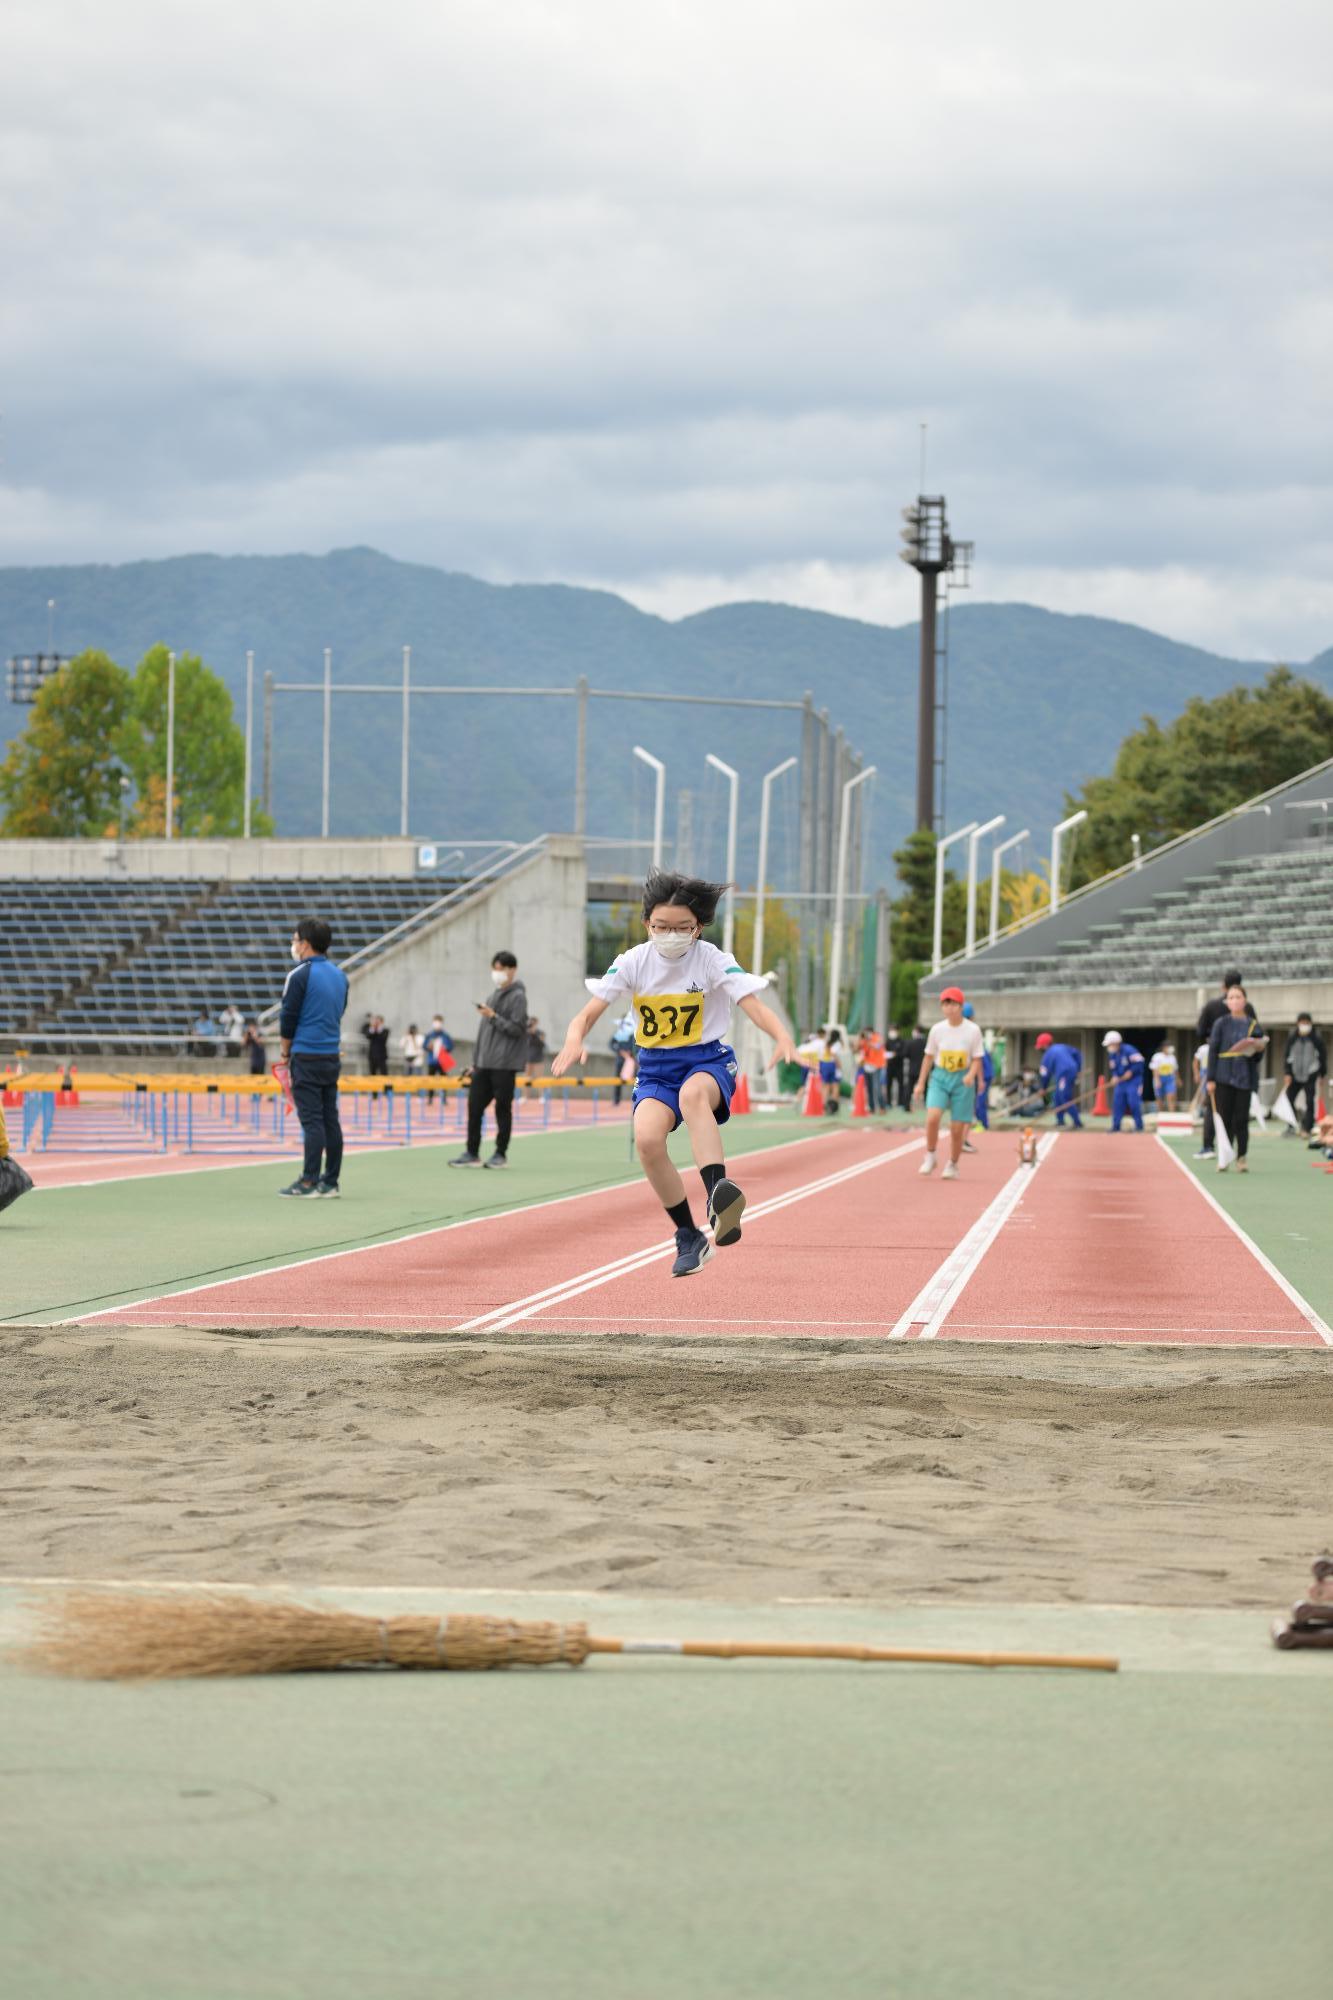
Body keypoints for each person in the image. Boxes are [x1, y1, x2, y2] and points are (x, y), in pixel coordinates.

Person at [552, 868, 796, 1276]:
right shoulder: (632, 962)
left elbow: (754, 1005)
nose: (671, 934)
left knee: (693, 1096)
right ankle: (689, 1236)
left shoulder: (713, 960)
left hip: (706, 1060)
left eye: (683, 927)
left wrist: (782, 1037)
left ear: (698, 927)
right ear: (647, 923)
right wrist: (574, 1038)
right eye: (661, 926)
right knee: (646, 1140)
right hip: (655, 1069)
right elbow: (588, 1013)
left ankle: (717, 1195)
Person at [277, 916, 348, 1198]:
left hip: (306, 1054)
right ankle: (330, 1181)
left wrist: (284, 1053)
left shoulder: (300, 974)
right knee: (330, 1118)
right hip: (330, 1054)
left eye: (295, 940)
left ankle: (308, 1181)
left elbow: (288, 1019)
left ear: (305, 944)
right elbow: (339, 1011)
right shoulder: (340, 975)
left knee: (312, 1121)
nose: (293, 945)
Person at [449, 950, 529, 1168]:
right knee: (474, 1107)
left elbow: (517, 1028)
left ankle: (500, 1153)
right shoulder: (493, 995)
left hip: (504, 1064)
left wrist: (493, 1017)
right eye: (495, 968)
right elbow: (483, 1035)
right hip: (484, 1064)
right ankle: (471, 1152)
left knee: (502, 1109)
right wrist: (475, 1063)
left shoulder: (518, 997)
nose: (497, 973)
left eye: (501, 968)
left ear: (512, 970)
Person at [913, 985, 984, 1179]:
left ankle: (953, 1163)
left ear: (960, 1006)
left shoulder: (973, 1030)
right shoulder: (937, 1030)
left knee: (956, 1129)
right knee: (933, 1117)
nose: (948, 1008)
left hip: (962, 1080)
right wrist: (920, 1083)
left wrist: (971, 1075)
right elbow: (928, 1057)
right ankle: (930, 1154)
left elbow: (977, 1058)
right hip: (940, 1077)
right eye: (945, 1004)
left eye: (952, 1004)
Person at [1207, 984, 1267, 1173]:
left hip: (1244, 1076)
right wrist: (1211, 1078)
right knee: (1224, 1118)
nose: (1234, 1000)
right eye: (1231, 997)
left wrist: (1258, 1049)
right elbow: (1213, 1050)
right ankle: (1224, 1156)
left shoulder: (1252, 1024)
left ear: (1245, 1000)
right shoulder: (1220, 1023)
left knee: (1241, 1119)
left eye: (1238, 997)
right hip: (1224, 1075)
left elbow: (1258, 1055)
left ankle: (1242, 1157)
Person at [1283, 1014, 1326, 1138]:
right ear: (1297, 1023)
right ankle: (1290, 1125)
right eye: (1302, 1022)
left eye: (1307, 1023)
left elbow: (1322, 1057)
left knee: (1309, 1101)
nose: (1304, 1025)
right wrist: (1287, 1073)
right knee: (1289, 1099)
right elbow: (1287, 1057)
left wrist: (1322, 1074)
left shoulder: (1316, 1039)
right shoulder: (1292, 1038)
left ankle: (1307, 1127)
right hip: (1294, 1074)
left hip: (1310, 1075)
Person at [1036, 1031, 1083, 1128]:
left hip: (1064, 1074)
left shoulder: (1047, 1056)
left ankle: (1077, 1122)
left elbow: (1045, 1075)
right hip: (1068, 1072)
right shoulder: (1062, 1046)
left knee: (1064, 1097)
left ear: (1044, 1046)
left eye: (1040, 1047)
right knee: (1057, 1097)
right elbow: (1078, 1054)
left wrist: (1043, 1088)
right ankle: (1060, 1120)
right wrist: (1078, 1068)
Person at [1103, 1031, 1145, 1133]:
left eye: (1110, 1044)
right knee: (1118, 1103)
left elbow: (1140, 1062)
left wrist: (1131, 1071)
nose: (1109, 1047)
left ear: (1116, 1043)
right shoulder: (1112, 1055)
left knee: (1133, 1102)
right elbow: (1114, 1069)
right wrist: (1115, 1077)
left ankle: (1139, 1126)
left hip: (1134, 1081)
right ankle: (1116, 1126)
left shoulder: (1129, 1050)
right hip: (1121, 1082)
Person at [609, 1011, 638, 1106]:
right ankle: (616, 1100)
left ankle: (635, 1099)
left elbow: (635, 1045)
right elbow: (611, 1044)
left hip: (631, 1060)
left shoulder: (634, 1033)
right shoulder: (619, 1033)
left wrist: (630, 1053)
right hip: (620, 1059)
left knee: (635, 1081)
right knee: (617, 1080)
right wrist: (620, 1051)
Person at [1149, 1039, 1180, 1112]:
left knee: (1171, 1096)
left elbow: (1175, 1069)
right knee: (1159, 1097)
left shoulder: (1172, 1057)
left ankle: (1171, 1113)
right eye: (1168, 1046)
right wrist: (1157, 1080)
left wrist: (1178, 1079)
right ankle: (1161, 1113)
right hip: (1159, 1078)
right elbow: (1155, 1069)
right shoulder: (1157, 1056)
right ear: (1164, 1047)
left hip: (1170, 1078)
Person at [423, 1014, 455, 1079]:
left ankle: (444, 1089)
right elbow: (424, 1046)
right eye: (435, 1022)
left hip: (442, 1061)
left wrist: (446, 1048)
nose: (437, 1024)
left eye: (439, 1022)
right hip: (432, 1061)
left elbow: (451, 1046)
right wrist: (428, 1047)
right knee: (430, 1081)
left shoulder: (445, 1035)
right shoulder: (429, 1035)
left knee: (444, 1080)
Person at [364, 1013, 390, 1080]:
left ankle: (385, 1090)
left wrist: (378, 1028)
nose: (376, 1023)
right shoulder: (371, 1030)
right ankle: (374, 1090)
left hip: (382, 1056)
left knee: (384, 1074)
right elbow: (367, 1036)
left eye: (378, 1021)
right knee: (372, 1075)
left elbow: (383, 1038)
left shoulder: (385, 1030)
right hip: (372, 1055)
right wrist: (373, 1027)